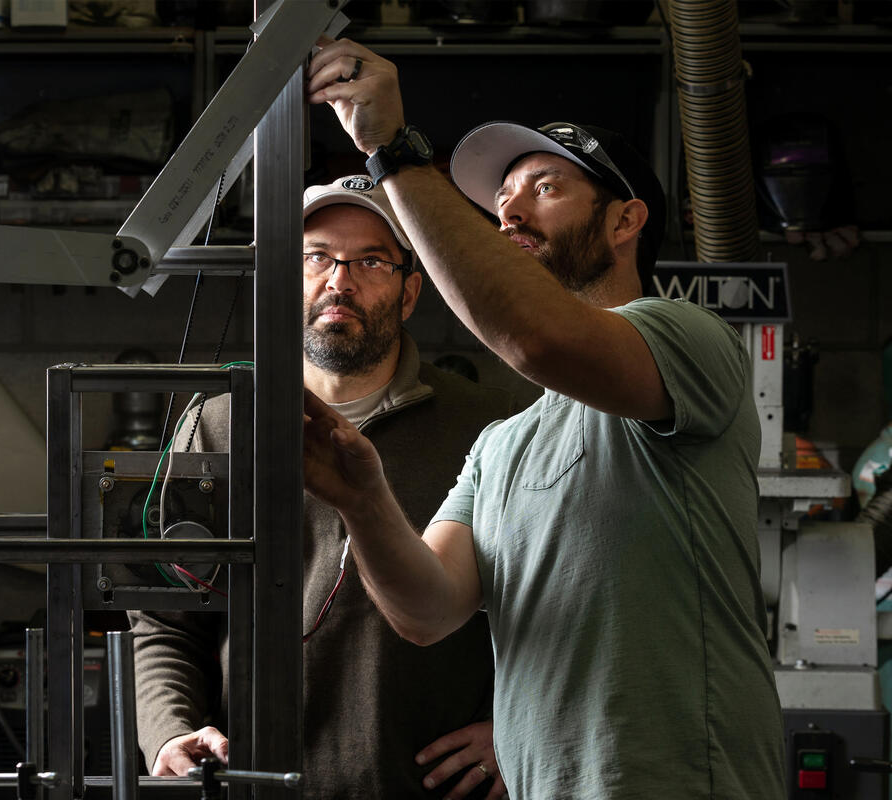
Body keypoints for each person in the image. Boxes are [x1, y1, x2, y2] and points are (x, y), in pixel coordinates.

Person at [299, 40, 786, 800]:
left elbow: (534, 336)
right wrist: (362, 501)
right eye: (502, 201)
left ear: (626, 220)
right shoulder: (506, 442)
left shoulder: (690, 341)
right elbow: (427, 610)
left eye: (544, 187)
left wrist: (392, 151)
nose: (510, 212)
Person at [128, 175, 519, 799]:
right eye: (316, 257)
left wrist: (517, 730)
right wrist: (171, 732)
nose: (340, 280)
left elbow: (563, 610)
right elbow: (166, 615)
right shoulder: (220, 425)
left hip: (433, 787)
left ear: (410, 290)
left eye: (370, 260)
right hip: (256, 783)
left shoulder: (491, 427)